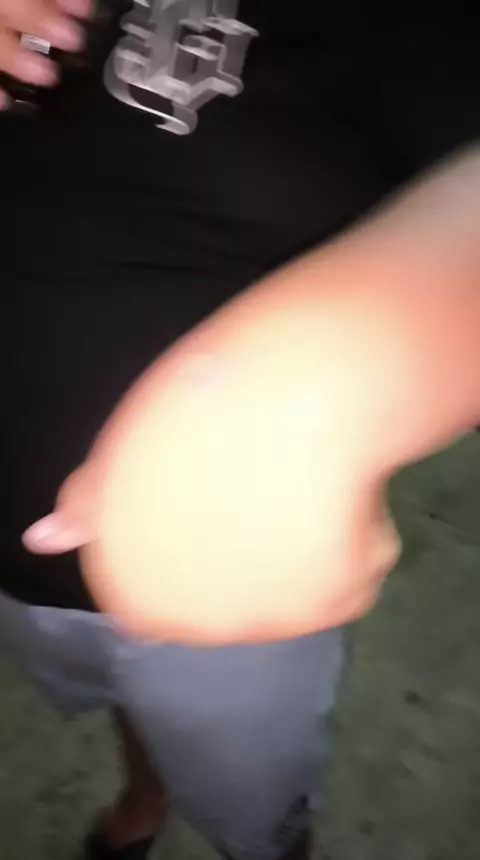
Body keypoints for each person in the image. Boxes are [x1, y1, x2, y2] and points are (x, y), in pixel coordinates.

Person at [2, 2, 480, 859]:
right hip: (17, 568)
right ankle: (147, 791)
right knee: (112, 698)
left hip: (211, 597)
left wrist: (323, 381)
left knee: (246, 796)